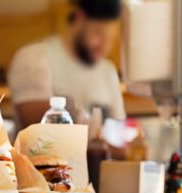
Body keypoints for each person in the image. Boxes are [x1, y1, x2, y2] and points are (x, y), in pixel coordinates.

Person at [8, 0, 125, 128]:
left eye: (110, 38)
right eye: (98, 33)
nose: (104, 46)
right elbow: (38, 128)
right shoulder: (35, 58)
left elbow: (118, 131)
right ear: (80, 18)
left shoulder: (108, 71)